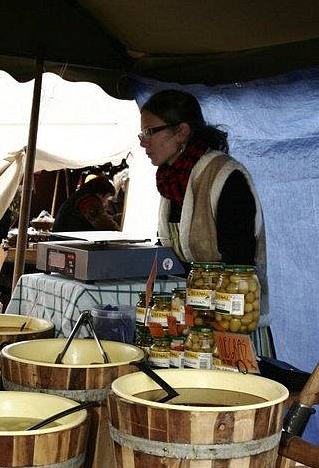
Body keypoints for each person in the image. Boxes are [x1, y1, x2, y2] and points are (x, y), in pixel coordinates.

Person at [139, 89, 268, 322]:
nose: (143, 142)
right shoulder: (173, 181)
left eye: (150, 131)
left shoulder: (225, 176)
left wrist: (216, 313)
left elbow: (240, 262)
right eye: (142, 133)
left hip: (230, 315)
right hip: (194, 313)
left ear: (181, 132)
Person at [52, 174, 120, 232]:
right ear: (102, 193)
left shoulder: (80, 195)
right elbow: (104, 223)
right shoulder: (89, 201)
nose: (105, 202)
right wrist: (119, 232)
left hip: (64, 239)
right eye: (106, 198)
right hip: (66, 242)